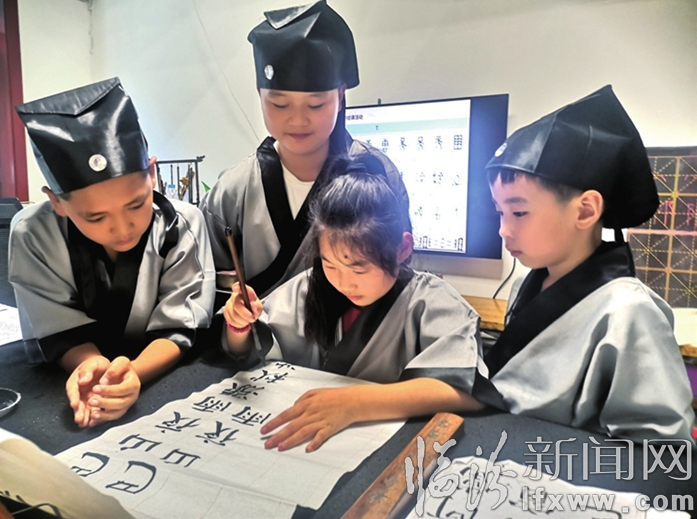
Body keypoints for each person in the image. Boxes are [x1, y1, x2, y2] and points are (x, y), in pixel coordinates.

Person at [220, 155, 488, 452]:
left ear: (402, 248)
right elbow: (252, 349)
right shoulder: (309, 287)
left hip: (387, 449)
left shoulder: (430, 301)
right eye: (330, 264)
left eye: (358, 269)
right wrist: (239, 325)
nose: (344, 283)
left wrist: (355, 403)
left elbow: (467, 390)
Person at [479, 85, 694, 442]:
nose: (503, 229)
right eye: (499, 212)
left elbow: (661, 448)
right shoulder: (525, 285)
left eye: (519, 212)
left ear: (585, 211)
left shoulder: (630, 312)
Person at [10, 78, 216, 428]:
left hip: (157, 367)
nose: (123, 229)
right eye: (95, 217)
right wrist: (90, 364)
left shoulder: (181, 224)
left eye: (136, 204)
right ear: (56, 202)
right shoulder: (33, 233)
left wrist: (133, 373)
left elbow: (180, 325)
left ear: (151, 173)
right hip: (65, 375)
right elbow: (57, 329)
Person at [200, 0, 409, 304]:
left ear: (340, 96)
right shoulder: (232, 191)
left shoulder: (375, 172)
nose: (297, 120)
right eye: (279, 104)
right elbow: (209, 290)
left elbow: (398, 272)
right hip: (261, 336)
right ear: (259, 94)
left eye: (316, 104)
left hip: (358, 335)